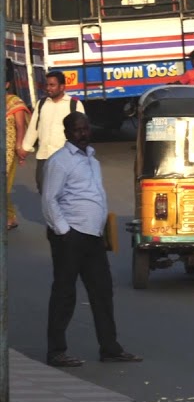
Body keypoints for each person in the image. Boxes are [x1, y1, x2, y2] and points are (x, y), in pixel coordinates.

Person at [43, 111, 142, 367]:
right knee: (65, 293)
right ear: (67, 133)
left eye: (86, 128)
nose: (84, 134)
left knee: (102, 292)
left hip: (93, 237)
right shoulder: (60, 161)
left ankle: (109, 348)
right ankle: (56, 351)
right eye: (78, 130)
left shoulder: (92, 160)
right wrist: (63, 231)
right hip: (70, 236)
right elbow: (49, 199)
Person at [20, 71, 83, 195]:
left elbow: (81, 132)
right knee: (43, 188)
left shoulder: (74, 105)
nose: (48, 88)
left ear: (62, 87)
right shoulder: (42, 104)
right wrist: (25, 148)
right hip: (44, 156)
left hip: (65, 158)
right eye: (47, 85)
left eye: (52, 85)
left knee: (64, 191)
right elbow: (34, 128)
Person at [6, 62, 31, 230]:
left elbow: (20, 127)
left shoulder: (15, 102)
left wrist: (19, 146)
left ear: (7, 84)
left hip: (9, 152)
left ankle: (9, 217)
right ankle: (10, 216)